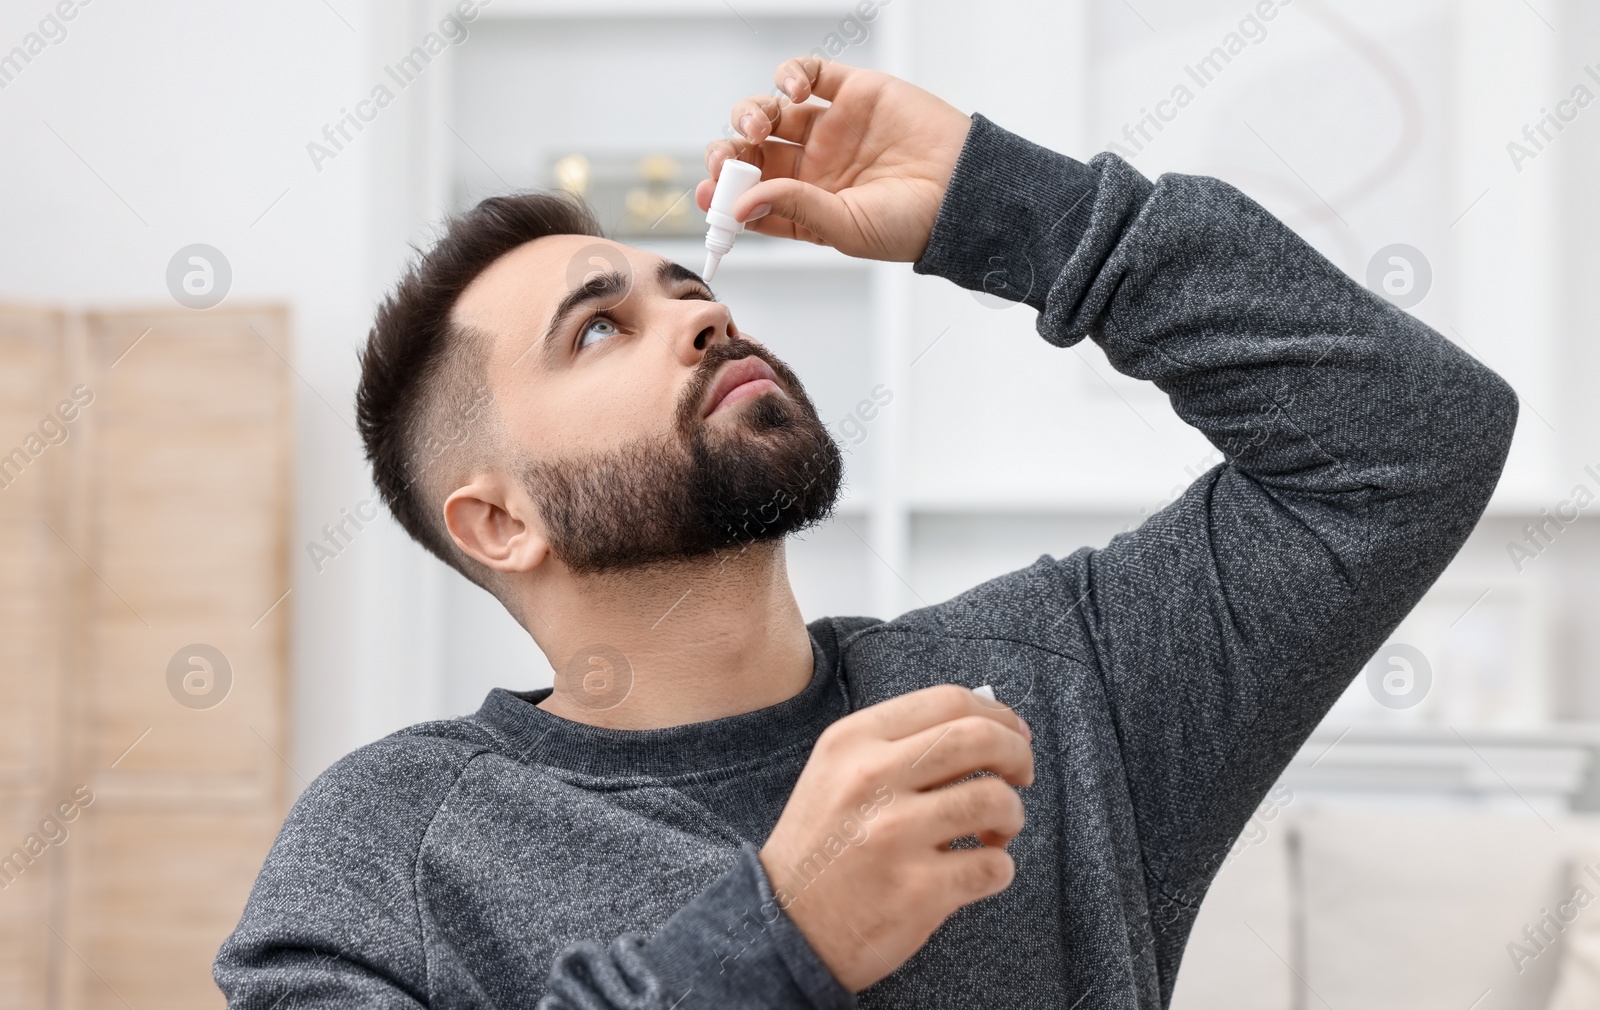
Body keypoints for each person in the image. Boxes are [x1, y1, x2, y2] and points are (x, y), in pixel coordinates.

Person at [214, 56, 1517, 1008]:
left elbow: (1407, 444)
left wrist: (1020, 211)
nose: (701, 314)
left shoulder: (1058, 685)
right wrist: (780, 938)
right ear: (498, 520)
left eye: (685, 284)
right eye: (600, 326)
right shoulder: (389, 844)